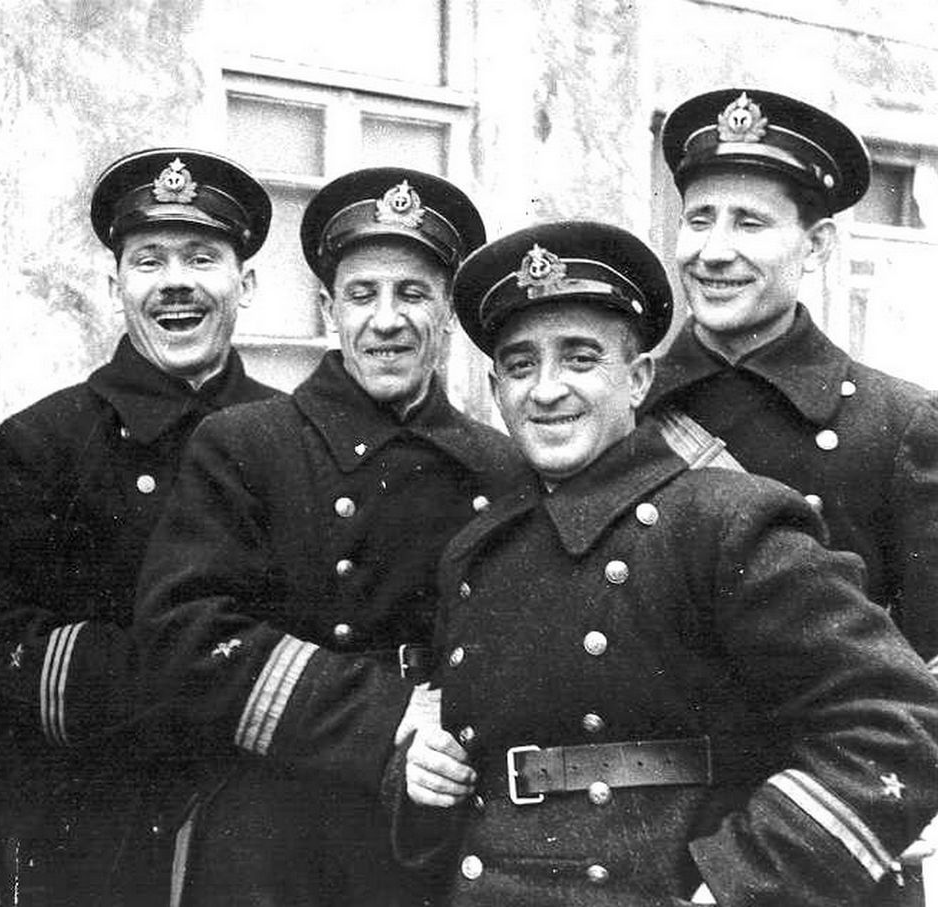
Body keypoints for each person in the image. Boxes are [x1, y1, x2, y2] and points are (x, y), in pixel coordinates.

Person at [396, 220, 938, 906]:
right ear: (495, 386)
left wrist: (740, 885)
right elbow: (471, 776)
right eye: (521, 365)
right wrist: (420, 776)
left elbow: (897, 719)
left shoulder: (726, 521)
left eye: (580, 359)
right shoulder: (477, 550)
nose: (546, 389)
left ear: (638, 379)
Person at [134, 167, 519, 906]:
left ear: (447, 313)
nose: (387, 320)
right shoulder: (247, 444)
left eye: (413, 294)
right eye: (362, 294)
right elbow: (182, 637)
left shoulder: (499, 464)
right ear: (327, 308)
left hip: (433, 815)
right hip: (275, 826)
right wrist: (389, 712)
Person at [0, 148, 281, 905]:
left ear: (245, 284)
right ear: (115, 286)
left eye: (202, 257)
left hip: (264, 821)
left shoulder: (293, 436)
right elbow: (7, 649)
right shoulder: (45, 442)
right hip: (99, 823)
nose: (175, 281)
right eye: (149, 261)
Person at [642, 88, 938, 663]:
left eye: (749, 223)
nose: (713, 252)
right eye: (699, 220)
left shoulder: (898, 425)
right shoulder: (624, 408)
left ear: (817, 245)